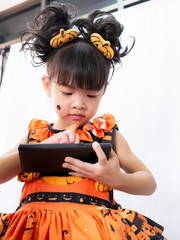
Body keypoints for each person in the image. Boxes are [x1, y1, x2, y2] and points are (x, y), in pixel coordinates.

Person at [0, 3, 166, 240]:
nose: (79, 103)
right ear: (49, 86)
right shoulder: (35, 135)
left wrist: (116, 179)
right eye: (67, 93)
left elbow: (149, 183)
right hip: (35, 231)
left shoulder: (108, 134)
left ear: (103, 90)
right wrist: (38, 150)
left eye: (91, 95)